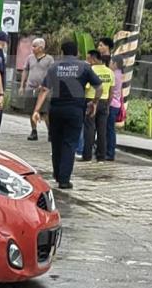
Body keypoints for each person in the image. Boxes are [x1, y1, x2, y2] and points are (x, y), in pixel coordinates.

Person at [32, 41, 102, 189]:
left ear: (62, 52)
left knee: (56, 142)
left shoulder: (54, 67)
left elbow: (44, 90)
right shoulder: (84, 67)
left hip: (56, 109)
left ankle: (57, 174)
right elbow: (99, 86)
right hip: (75, 110)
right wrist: (94, 102)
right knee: (69, 143)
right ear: (77, 53)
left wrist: (36, 110)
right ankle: (64, 180)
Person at [82, 50, 114, 162]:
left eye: (88, 59)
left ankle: (87, 156)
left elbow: (85, 87)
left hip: (91, 101)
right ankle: (101, 157)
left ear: (94, 59)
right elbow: (111, 91)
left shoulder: (90, 70)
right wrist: (108, 105)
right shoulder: (110, 72)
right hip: (104, 102)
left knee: (89, 128)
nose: (87, 61)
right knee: (102, 130)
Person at [19, 38, 54, 141]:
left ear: (41, 48)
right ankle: (34, 131)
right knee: (31, 110)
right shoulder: (30, 58)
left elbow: (51, 73)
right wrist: (22, 85)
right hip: (31, 87)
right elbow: (25, 70)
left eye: (34, 46)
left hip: (43, 89)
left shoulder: (49, 59)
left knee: (45, 111)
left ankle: (50, 132)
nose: (32, 48)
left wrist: (45, 84)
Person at [106, 55, 124, 161]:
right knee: (110, 129)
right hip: (116, 105)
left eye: (111, 62)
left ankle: (110, 153)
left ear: (115, 64)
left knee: (109, 130)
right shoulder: (119, 74)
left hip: (112, 104)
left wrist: (107, 105)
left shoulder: (113, 75)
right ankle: (109, 151)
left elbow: (111, 92)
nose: (109, 64)